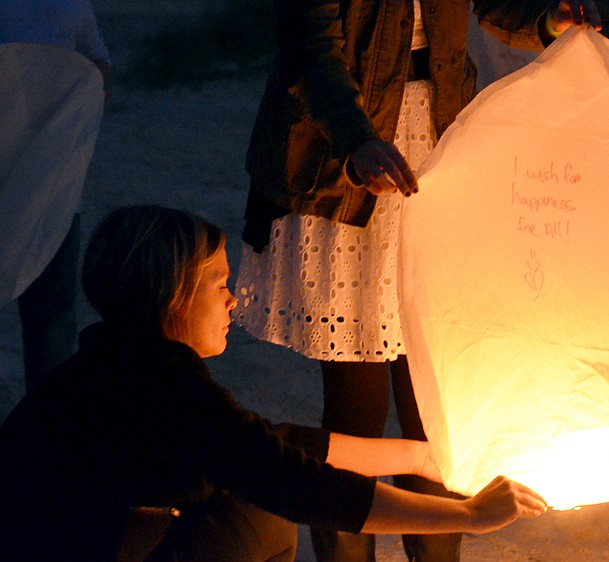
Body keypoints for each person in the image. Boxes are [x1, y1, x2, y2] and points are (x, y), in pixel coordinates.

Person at [236, 1, 601, 560]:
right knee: (357, 409)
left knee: (435, 401)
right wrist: (357, 141)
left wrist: (550, 22)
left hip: (436, 144)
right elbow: (312, 47)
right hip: (349, 151)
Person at [0, 204, 548, 562]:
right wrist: (472, 517)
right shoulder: (163, 387)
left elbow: (268, 441)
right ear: (173, 297)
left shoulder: (118, 362)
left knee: (249, 496)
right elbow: (295, 481)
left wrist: (419, 457)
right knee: (262, 515)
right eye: (219, 285)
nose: (233, 299)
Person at [0, 0, 111, 392]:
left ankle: (47, 425)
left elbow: (97, 71)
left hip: (54, 188)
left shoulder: (69, 4)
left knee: (52, 314)